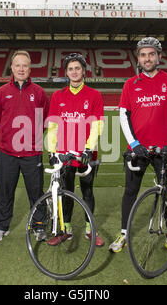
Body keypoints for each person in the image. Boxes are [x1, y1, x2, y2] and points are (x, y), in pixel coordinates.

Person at [108, 37, 167, 257]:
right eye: (143, 54)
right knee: (130, 192)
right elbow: (124, 115)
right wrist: (134, 144)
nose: (147, 58)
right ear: (138, 58)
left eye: (151, 54)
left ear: (159, 56)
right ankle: (124, 233)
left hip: (164, 148)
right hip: (138, 150)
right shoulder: (130, 84)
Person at [46, 53, 105, 247]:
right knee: (66, 191)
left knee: (88, 191)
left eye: (77, 68)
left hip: (87, 154)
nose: (74, 72)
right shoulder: (58, 96)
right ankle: (66, 230)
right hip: (64, 154)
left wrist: (89, 149)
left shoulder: (94, 95)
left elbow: (97, 125)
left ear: (84, 71)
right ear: (66, 72)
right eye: (70, 69)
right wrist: (52, 151)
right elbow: (53, 126)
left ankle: (90, 230)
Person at [0, 50, 50, 242]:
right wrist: (11, 136)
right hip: (7, 152)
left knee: (36, 192)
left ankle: (39, 226)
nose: (21, 69)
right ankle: (2, 226)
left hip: (31, 153)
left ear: (30, 68)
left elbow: (45, 120)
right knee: (5, 191)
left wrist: (31, 138)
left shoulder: (39, 93)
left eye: (25, 65)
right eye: (18, 65)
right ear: (12, 68)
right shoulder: (1, 93)